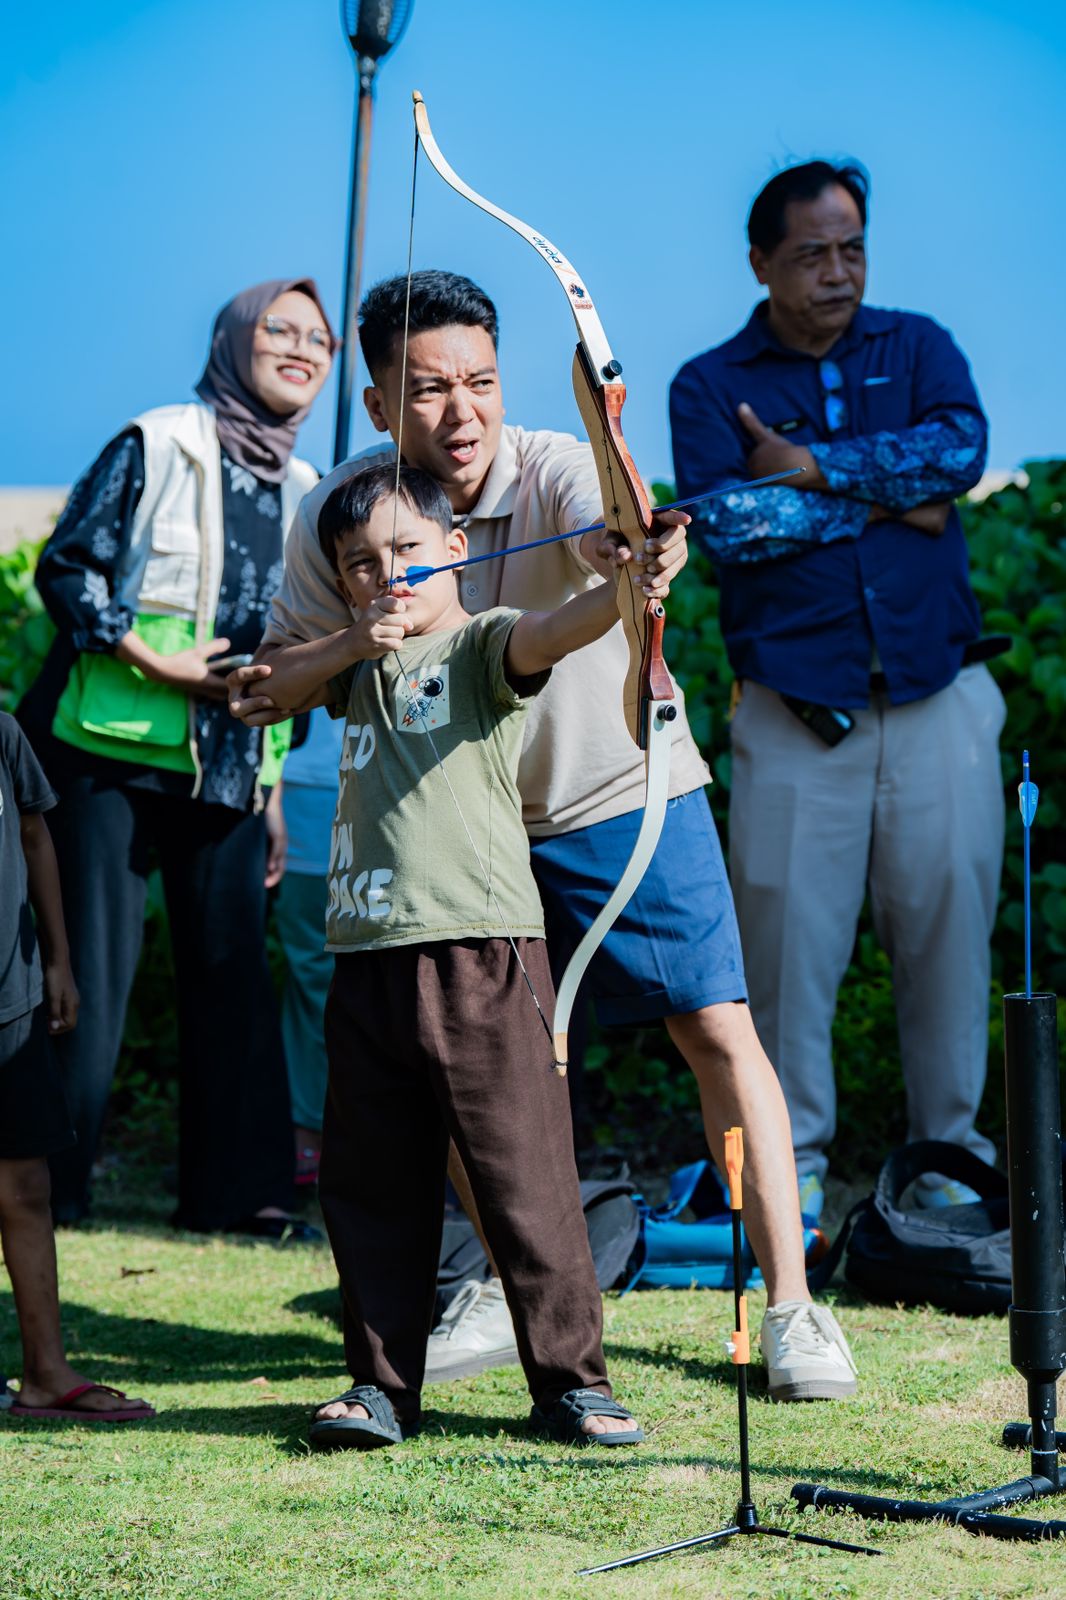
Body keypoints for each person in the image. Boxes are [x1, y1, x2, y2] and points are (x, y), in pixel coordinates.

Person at [230, 269, 858, 1404]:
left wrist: (642, 553)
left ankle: (793, 1305)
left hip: (616, 791)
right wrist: (354, 641)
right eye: (425, 389)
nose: (459, 413)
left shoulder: (547, 462)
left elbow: (613, 527)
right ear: (376, 404)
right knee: (464, 1077)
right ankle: (504, 1288)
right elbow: (264, 688)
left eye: (479, 380)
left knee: (716, 1024)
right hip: (459, 847)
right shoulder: (348, 514)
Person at [262, 463, 646, 1448]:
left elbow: (554, 630)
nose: (386, 572)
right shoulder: (351, 665)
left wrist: (626, 578)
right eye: (360, 562)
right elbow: (255, 693)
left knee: (525, 1176)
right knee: (373, 1181)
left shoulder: (478, 645)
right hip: (366, 954)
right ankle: (382, 1388)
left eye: (405, 549)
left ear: (457, 548)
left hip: (482, 949)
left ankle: (571, 1383)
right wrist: (353, 639)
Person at [669, 161, 1003, 1219]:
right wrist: (894, 497)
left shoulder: (919, 346)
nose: (836, 270)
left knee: (952, 947)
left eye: (851, 246)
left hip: (937, 701)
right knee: (782, 962)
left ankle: (946, 1169)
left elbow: (957, 451)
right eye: (811, 252)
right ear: (760, 261)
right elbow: (728, 527)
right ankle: (788, 1170)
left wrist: (810, 468)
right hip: (795, 716)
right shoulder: (707, 380)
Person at [21, 279, 334, 1237]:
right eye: (279, 329)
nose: (302, 349)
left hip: (234, 758)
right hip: (108, 749)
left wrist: (275, 785)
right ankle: (52, 1190)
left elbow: (296, 637)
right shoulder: (157, 439)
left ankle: (233, 1199)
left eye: (318, 341)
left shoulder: (304, 484)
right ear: (233, 340)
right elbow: (66, 566)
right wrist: (150, 657)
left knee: (233, 970)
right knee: (91, 976)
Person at [0, 711, 154, 1422]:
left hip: (11, 995)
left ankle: (44, 1373)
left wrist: (59, 959)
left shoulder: (3, 732)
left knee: (26, 1186)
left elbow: (36, 836)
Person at [274, 707, 344, 1186]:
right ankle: (308, 1137)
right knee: (314, 977)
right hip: (302, 795)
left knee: (389, 977)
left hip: (398, 786)